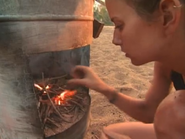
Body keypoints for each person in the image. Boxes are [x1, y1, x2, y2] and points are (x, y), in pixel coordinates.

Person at [67, 0, 185, 138]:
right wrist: (103, 88)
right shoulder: (166, 63)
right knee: (113, 132)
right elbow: (149, 112)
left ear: (167, 16)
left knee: (172, 115)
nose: (115, 40)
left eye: (119, 25)